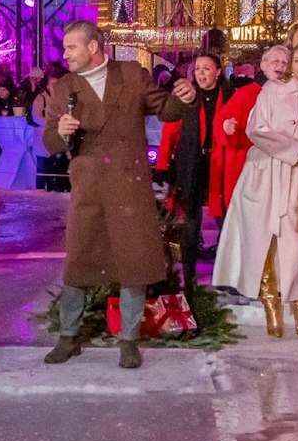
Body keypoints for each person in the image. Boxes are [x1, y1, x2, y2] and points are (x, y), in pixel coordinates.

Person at [42, 21, 194, 368]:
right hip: (89, 186)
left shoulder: (131, 74)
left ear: (94, 47)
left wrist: (182, 98)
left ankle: (128, 340)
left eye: (71, 47)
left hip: (129, 186)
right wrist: (61, 133)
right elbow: (49, 141)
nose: (65, 54)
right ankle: (68, 336)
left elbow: (165, 110)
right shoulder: (66, 86)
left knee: (133, 263)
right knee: (78, 263)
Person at [216, 43, 298, 337]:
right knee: (260, 242)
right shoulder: (270, 92)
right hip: (262, 174)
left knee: (294, 246)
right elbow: (256, 129)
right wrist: (293, 150)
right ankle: (271, 308)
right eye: (294, 60)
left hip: (296, 175)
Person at [153, 51, 237, 288]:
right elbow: (170, 132)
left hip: (220, 166)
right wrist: (162, 165)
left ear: (219, 71)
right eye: (198, 68)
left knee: (225, 220)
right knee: (190, 221)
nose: (201, 73)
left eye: (207, 68)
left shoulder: (230, 95)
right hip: (192, 164)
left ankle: (224, 272)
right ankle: (188, 274)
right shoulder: (187, 96)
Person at [209, 47, 279, 298]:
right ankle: (237, 278)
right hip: (246, 168)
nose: (280, 65)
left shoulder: (290, 95)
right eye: (274, 61)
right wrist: (227, 128)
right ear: (263, 64)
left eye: (284, 61)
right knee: (241, 228)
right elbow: (221, 123)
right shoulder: (248, 93)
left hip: (276, 170)